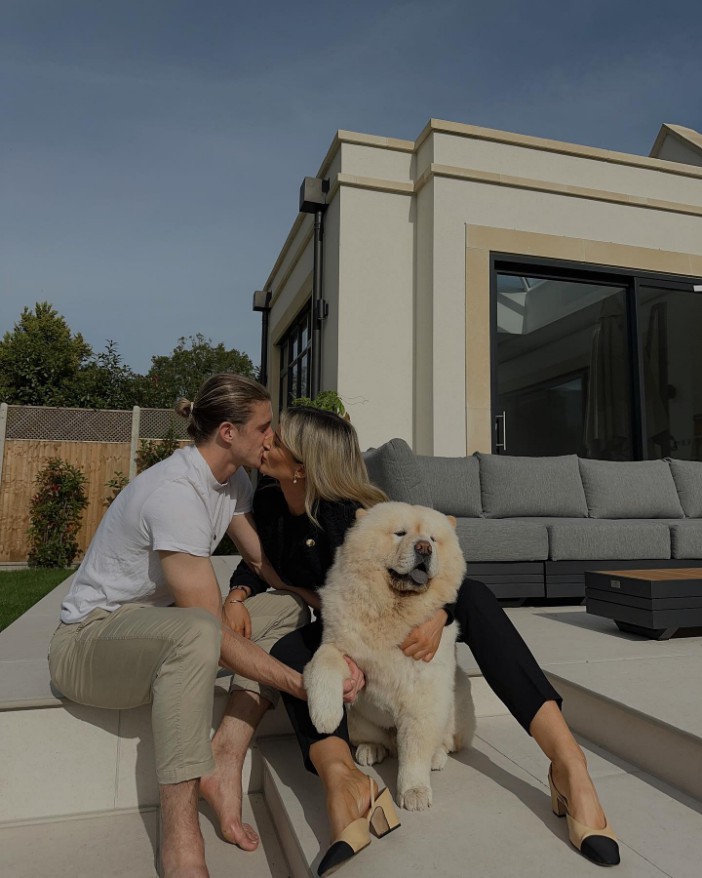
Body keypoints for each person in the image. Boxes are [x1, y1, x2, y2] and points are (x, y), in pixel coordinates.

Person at [229, 406, 619, 875]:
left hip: (399, 618)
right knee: (291, 650)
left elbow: (436, 561)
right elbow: (256, 557)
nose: (266, 439)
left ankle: (568, 763)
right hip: (347, 630)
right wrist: (238, 592)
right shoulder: (269, 501)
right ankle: (343, 780)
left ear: (305, 462)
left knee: (475, 598)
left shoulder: (355, 516)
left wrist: (441, 613)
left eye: (278, 436)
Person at [48, 374, 328, 878]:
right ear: (228, 432)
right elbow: (210, 633)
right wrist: (300, 684)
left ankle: (225, 759)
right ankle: (180, 837)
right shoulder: (176, 493)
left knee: (284, 608)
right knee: (200, 631)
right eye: (265, 427)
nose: (273, 437)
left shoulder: (231, 481)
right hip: (88, 643)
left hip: (152, 627)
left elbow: (261, 560)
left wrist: (312, 598)